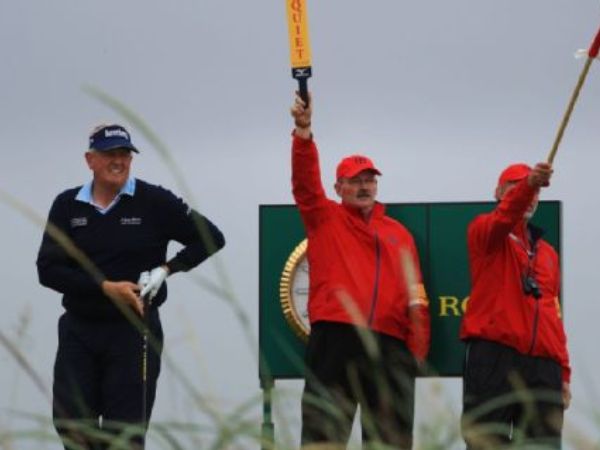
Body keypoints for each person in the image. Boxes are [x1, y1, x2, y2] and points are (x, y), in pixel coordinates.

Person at [36, 124, 225, 449]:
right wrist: (104, 288)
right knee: (72, 426)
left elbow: (210, 238)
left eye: (124, 154)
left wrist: (167, 269)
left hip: (134, 331)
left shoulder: (154, 201)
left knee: (124, 435)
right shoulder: (67, 206)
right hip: (79, 330)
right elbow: (48, 270)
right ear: (90, 160)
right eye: (110, 154)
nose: (119, 161)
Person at [290, 93, 430, 449]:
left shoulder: (399, 233)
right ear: (339, 188)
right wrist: (303, 133)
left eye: (370, 179)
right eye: (354, 180)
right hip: (336, 339)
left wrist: (416, 349)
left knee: (391, 441)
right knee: (324, 436)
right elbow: (305, 184)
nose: (364, 186)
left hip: (390, 345)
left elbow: (417, 296)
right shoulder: (325, 217)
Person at [460, 162, 570, 449]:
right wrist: (529, 184)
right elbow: (505, 216)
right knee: (485, 440)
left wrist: (565, 374)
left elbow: (553, 316)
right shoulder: (485, 231)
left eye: (534, 191)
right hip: (495, 354)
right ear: (498, 192)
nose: (529, 196)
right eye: (517, 187)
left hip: (544, 367)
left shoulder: (547, 253)